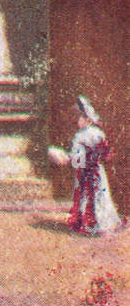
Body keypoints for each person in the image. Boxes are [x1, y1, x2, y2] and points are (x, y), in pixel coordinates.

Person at [61, 96, 122, 235]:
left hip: (88, 172)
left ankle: (93, 224)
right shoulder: (95, 134)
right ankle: (96, 224)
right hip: (94, 170)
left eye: (80, 119)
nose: (77, 122)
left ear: (88, 119)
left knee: (91, 195)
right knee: (95, 195)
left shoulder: (82, 136)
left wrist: (69, 159)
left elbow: (79, 158)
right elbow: (104, 153)